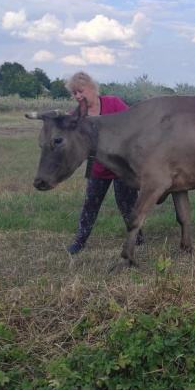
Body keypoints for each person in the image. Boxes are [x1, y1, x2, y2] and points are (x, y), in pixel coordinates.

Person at [66, 71, 142, 255]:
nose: (77, 96)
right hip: (98, 168)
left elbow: (132, 122)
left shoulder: (113, 103)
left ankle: (137, 236)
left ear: (92, 88)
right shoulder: (76, 115)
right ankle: (80, 241)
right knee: (90, 205)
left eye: (80, 91)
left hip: (123, 166)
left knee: (127, 204)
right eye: (74, 93)